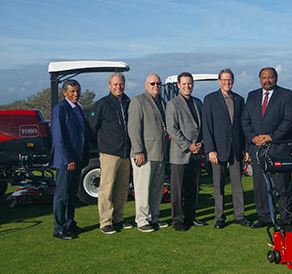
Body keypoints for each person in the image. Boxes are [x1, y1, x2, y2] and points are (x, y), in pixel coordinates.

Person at [241, 67, 292, 227]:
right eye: (264, 78)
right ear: (259, 79)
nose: (267, 80)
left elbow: (290, 119)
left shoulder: (286, 95)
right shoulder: (252, 96)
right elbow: (245, 120)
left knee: (282, 185)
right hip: (257, 149)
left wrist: (272, 137)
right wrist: (253, 138)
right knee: (259, 185)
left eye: (270, 77)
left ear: (276, 78)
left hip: (278, 148)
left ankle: (286, 218)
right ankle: (265, 217)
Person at [202, 68, 251, 229]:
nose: (227, 83)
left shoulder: (239, 99)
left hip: (236, 149)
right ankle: (220, 217)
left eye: (229, 80)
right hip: (218, 150)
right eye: (224, 80)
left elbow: (243, 127)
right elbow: (207, 127)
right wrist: (210, 150)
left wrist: (246, 149)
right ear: (218, 81)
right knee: (219, 185)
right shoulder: (210, 99)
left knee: (237, 185)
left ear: (233, 81)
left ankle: (239, 216)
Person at [89, 73, 133, 235]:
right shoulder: (102, 104)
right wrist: (101, 147)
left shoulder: (129, 102)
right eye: (115, 84)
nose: (118, 87)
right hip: (109, 153)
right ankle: (105, 222)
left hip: (126, 153)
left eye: (121, 84)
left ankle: (118, 218)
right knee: (106, 189)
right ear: (109, 85)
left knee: (122, 188)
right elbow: (92, 129)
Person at [128, 74, 169, 233]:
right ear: (146, 85)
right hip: (144, 154)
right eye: (153, 83)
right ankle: (142, 219)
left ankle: (154, 217)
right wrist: (138, 151)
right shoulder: (138, 101)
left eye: (159, 83)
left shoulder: (162, 102)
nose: (156, 86)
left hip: (159, 152)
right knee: (143, 188)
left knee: (157, 188)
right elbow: (133, 128)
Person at [166, 72, 207, 231]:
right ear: (178, 85)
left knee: (193, 187)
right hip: (180, 154)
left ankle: (191, 216)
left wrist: (200, 144)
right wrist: (188, 145)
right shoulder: (173, 104)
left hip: (196, 153)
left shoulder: (198, 102)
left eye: (189, 83)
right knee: (177, 189)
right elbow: (172, 129)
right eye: (184, 83)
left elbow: (202, 126)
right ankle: (178, 220)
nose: (187, 86)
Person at [50, 79, 89, 240]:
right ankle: (59, 228)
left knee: (72, 194)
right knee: (62, 195)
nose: (76, 94)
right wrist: (68, 159)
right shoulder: (60, 109)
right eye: (72, 91)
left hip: (77, 159)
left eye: (77, 91)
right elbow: (59, 138)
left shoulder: (77, 108)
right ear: (64, 93)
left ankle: (69, 223)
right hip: (66, 161)